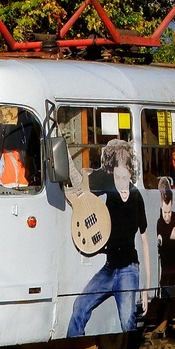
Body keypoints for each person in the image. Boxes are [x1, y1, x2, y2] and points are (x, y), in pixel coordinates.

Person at [68, 141, 150, 337]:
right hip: (109, 268)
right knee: (80, 306)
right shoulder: (108, 185)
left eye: (125, 178)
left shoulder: (137, 196)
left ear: (131, 174)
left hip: (129, 270)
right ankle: (73, 346)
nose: (121, 183)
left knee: (127, 321)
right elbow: (82, 185)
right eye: (117, 177)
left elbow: (145, 242)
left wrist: (146, 288)